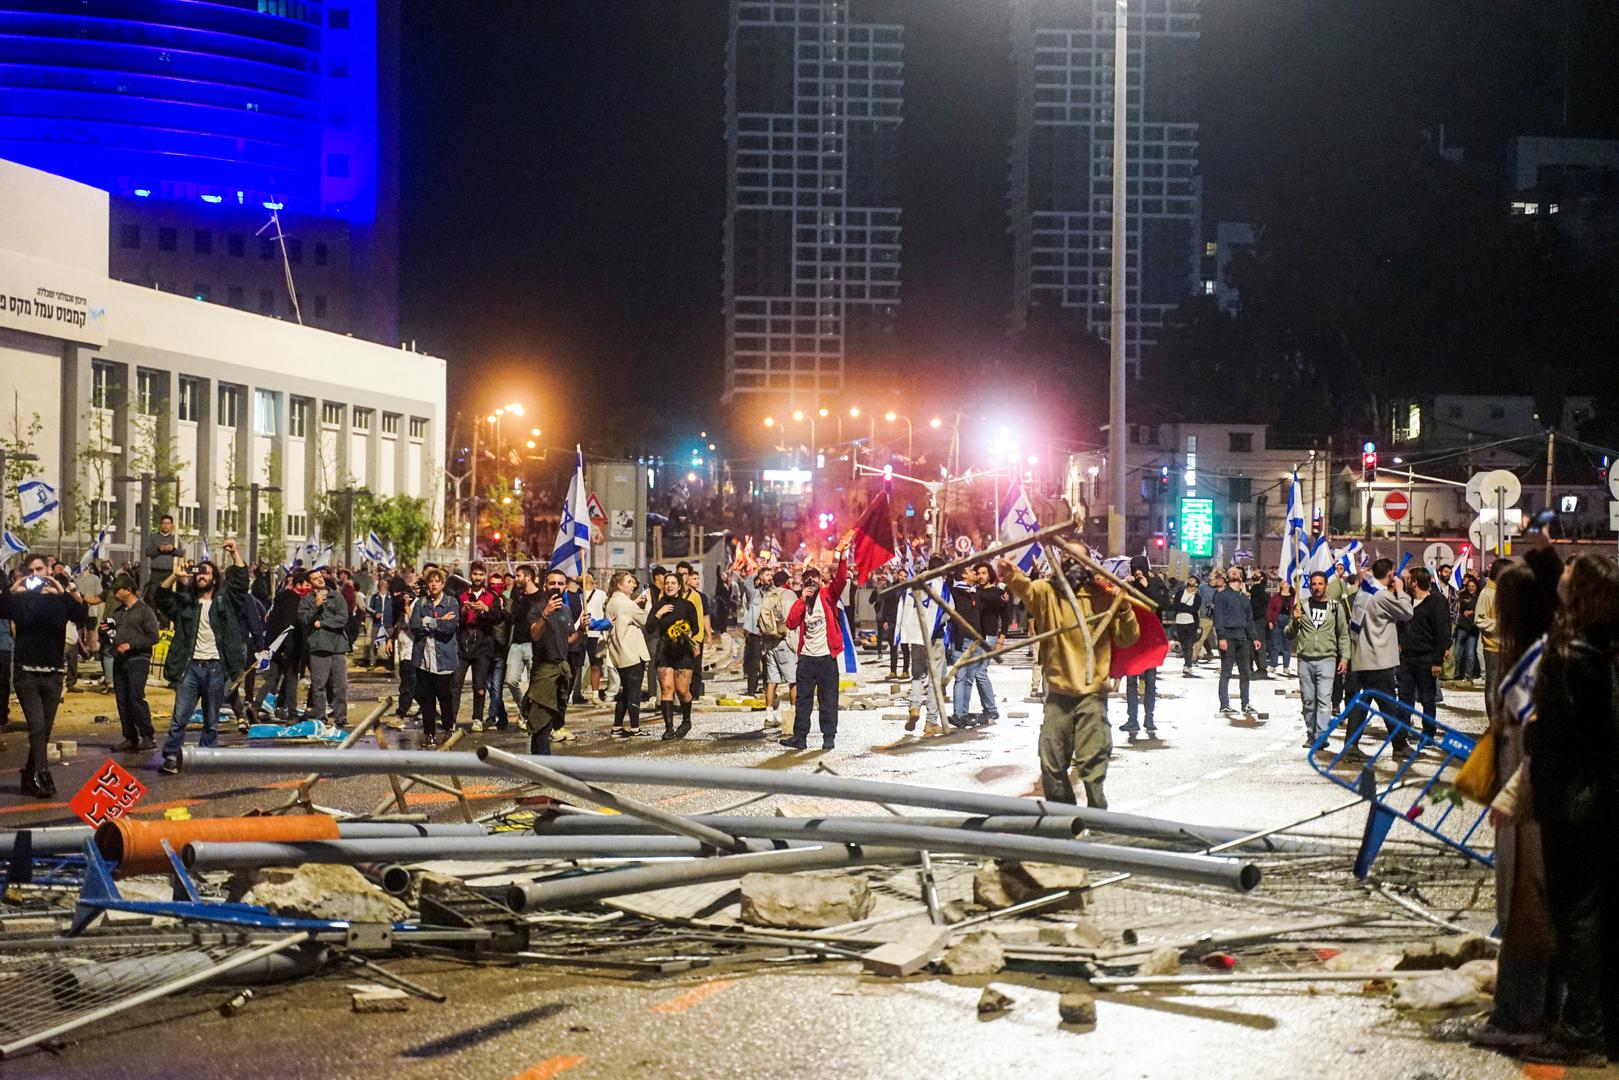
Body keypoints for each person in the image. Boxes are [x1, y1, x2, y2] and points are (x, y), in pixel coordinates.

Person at [1518, 553, 1619, 1066]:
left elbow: (1561, 734)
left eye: (1570, 573)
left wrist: (1535, 729)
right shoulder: (1607, 648)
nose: (1561, 577)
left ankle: (1583, 1029)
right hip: (1603, 800)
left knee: (1575, 915)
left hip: (1574, 803)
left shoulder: (1570, 654)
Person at [1475, 549, 1562, 1053]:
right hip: (1523, 795)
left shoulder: (1537, 661)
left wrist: (1511, 794)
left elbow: (1537, 736)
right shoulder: (1536, 652)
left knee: (1527, 907)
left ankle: (1521, 1015)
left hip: (1530, 804)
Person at [999, 554, 1139, 808]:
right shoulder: (1048, 592)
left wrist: (1124, 609)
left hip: (1092, 693)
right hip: (1059, 693)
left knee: (1093, 758)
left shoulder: (1103, 596)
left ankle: (1097, 814)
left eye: (1078, 557)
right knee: (1051, 757)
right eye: (1066, 556)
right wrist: (1010, 574)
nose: (1071, 562)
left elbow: (1127, 638)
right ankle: (1064, 816)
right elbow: (1027, 591)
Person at [156, 539, 248, 775]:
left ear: (214, 579)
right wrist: (175, 576)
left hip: (216, 668)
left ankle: (206, 756)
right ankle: (170, 757)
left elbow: (240, 583)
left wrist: (234, 553)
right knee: (180, 717)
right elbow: (160, 597)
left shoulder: (223, 601)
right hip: (190, 668)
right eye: (198, 572)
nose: (201, 575)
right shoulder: (186, 603)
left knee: (211, 719)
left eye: (206, 572)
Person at [1, 555, 90, 795]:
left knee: (45, 729)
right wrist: (14, 588)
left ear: (48, 569)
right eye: (30, 571)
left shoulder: (59, 601)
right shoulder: (21, 600)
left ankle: (29, 774)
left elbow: (81, 614)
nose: (35, 575)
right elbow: (2, 607)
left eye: (39, 569)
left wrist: (63, 590)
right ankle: (42, 773)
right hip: (26, 673)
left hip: (53, 673)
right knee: (37, 725)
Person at [780, 549, 851, 750]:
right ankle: (800, 737)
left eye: (815, 580)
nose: (812, 584)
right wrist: (802, 599)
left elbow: (841, 580)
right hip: (807, 659)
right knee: (803, 700)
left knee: (828, 700)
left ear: (821, 580)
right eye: (808, 581)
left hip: (827, 657)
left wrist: (842, 558)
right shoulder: (802, 601)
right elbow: (791, 623)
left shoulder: (828, 595)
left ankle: (828, 738)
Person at [1344, 557, 1414, 756]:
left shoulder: (1365, 590)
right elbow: (1407, 612)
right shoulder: (1381, 596)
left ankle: (1351, 746)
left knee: (1362, 704)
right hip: (1379, 659)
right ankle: (1400, 746)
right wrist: (1400, 590)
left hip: (1364, 658)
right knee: (1389, 706)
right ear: (1390, 575)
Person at [1287, 571, 1351, 749]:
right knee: (1308, 701)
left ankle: (1321, 735)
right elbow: (1289, 634)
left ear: (1326, 586)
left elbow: (1343, 635)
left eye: (1320, 584)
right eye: (1313, 584)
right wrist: (1295, 621)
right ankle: (1310, 734)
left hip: (1327, 659)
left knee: (1324, 700)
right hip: (1305, 660)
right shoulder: (1302, 606)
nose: (1316, 587)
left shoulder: (1335, 607)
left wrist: (1344, 657)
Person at [523, 567, 580, 753]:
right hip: (544, 671)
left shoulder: (565, 610)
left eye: (560, 583)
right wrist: (545, 615)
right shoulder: (537, 608)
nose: (556, 586)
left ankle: (544, 766)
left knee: (554, 721)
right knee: (541, 723)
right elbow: (534, 634)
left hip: (562, 670)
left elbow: (569, 640)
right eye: (552, 583)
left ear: (565, 587)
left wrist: (582, 630)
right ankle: (541, 768)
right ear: (545, 585)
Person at [1396, 566, 1450, 739]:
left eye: (1408, 579)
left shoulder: (1436, 601)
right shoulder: (1407, 601)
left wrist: (1437, 661)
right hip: (1406, 658)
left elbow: (1443, 631)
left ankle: (1428, 732)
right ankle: (1403, 731)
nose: (1405, 582)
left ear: (1415, 582)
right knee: (1404, 697)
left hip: (1426, 658)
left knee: (1427, 698)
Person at [108, 574, 159, 752]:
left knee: (135, 698)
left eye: (117, 589)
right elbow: (111, 637)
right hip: (120, 661)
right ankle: (130, 736)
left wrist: (131, 645)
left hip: (138, 660)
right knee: (122, 700)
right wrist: (104, 632)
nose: (114, 593)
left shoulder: (145, 611)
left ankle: (147, 735)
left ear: (128, 590)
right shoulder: (118, 613)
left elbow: (154, 636)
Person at [408, 568, 458, 748]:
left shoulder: (451, 603)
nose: (434, 584)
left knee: (445, 697)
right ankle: (429, 733)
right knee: (427, 699)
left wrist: (427, 621)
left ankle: (448, 728)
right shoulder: (421, 603)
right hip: (423, 660)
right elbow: (414, 625)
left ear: (443, 584)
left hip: (444, 659)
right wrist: (437, 620)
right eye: (431, 581)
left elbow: (449, 628)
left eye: (438, 581)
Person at [896, 558, 946, 735]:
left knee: (917, 676)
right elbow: (947, 612)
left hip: (915, 637)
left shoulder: (913, 584)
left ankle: (914, 707)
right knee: (934, 680)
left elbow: (903, 608)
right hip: (934, 639)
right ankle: (931, 722)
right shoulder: (941, 586)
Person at [648, 570, 701, 740]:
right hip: (664, 650)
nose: (669, 585)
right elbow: (649, 627)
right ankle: (668, 727)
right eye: (667, 583)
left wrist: (687, 633)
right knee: (666, 689)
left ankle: (686, 721)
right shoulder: (659, 604)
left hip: (683, 651)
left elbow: (696, 627)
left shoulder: (687, 605)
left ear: (679, 586)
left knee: (682, 690)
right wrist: (659, 613)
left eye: (673, 583)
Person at [1122, 555, 1169, 740]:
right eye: (1133, 568)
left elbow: (1164, 604)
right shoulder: (1130, 584)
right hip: (1133, 637)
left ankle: (1149, 718)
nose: (1136, 570)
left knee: (1150, 681)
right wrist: (1125, 585)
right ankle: (1131, 718)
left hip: (1150, 638)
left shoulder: (1156, 583)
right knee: (1131, 681)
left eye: (1139, 567)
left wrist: (1146, 586)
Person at [454, 562, 502, 732]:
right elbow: (455, 620)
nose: (478, 578)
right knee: (456, 683)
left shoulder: (491, 596)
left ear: (485, 575)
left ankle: (477, 718)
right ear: (470, 574)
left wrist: (486, 609)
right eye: (475, 574)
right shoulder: (462, 595)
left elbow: (498, 618)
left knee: (479, 684)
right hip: (462, 644)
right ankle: (451, 719)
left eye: (481, 574)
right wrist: (464, 611)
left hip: (483, 645)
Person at [300, 566, 350, 727]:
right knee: (319, 684)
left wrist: (322, 623)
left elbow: (342, 618)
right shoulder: (307, 600)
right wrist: (316, 605)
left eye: (320, 576)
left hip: (338, 645)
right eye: (315, 578)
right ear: (310, 583)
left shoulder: (337, 596)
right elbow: (303, 620)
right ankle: (320, 716)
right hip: (319, 646)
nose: (320, 579)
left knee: (340, 685)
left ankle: (341, 716)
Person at [604, 569, 650, 736]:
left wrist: (634, 604)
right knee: (634, 692)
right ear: (619, 584)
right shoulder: (626, 604)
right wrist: (648, 603)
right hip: (631, 652)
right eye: (629, 582)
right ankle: (635, 728)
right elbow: (645, 620)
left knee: (626, 691)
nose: (633, 585)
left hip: (619, 653)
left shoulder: (613, 602)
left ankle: (617, 726)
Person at [1213, 567, 1261, 718]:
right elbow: (1218, 618)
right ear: (1227, 577)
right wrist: (1221, 637)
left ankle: (1245, 703)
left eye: (1237, 572)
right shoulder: (1221, 596)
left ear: (1242, 577)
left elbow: (1249, 620)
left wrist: (1254, 638)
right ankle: (1224, 705)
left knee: (1245, 672)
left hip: (1243, 638)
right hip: (1228, 636)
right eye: (1231, 572)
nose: (1234, 573)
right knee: (1226, 671)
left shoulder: (1244, 598)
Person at [504, 565, 545, 729]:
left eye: (518, 575)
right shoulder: (517, 594)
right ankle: (525, 709)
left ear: (528, 577)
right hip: (516, 644)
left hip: (533, 645)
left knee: (534, 684)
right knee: (511, 680)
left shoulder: (542, 597)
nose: (515, 579)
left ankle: (530, 717)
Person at [757, 568, 797, 731]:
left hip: (769, 642)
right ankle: (794, 714)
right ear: (787, 582)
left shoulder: (767, 595)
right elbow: (793, 618)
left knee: (771, 680)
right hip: (784, 641)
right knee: (793, 680)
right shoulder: (789, 595)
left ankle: (769, 716)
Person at [677, 562, 713, 702]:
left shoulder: (698, 596)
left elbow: (704, 616)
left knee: (695, 667)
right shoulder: (673, 593)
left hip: (695, 638)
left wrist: (708, 635)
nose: (682, 577)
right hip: (676, 637)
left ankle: (694, 695)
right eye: (679, 574)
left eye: (685, 574)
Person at [1478, 558, 1505, 697]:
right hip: (1493, 646)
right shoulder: (1487, 592)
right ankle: (1493, 717)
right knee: (1493, 685)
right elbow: (1479, 619)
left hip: (1507, 646)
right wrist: (1501, 625)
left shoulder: (1504, 590)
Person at [580, 571, 608, 702]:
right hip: (580, 632)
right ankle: (574, 693)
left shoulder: (601, 594)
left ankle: (595, 694)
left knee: (595, 664)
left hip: (596, 634)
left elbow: (606, 609)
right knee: (578, 664)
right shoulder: (578, 594)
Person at [141, 513, 184, 597]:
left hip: (170, 572)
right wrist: (159, 549)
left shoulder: (175, 538)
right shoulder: (153, 537)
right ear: (161, 524)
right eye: (164, 523)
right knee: (152, 595)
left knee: (168, 595)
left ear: (171, 525)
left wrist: (173, 549)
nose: (166, 525)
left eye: (168, 523)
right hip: (156, 571)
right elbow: (148, 552)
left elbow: (181, 553)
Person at [1168, 576, 1202, 677]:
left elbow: (1194, 610)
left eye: (1193, 580)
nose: (1190, 581)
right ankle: (1187, 663)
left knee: (1189, 644)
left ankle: (1188, 665)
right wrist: (1186, 607)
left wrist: (1183, 607)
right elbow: (1176, 606)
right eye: (1190, 579)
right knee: (1183, 644)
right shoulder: (1179, 593)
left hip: (1191, 623)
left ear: (1196, 585)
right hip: (1180, 622)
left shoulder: (1197, 597)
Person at [1453, 575, 1481, 681]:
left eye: (1473, 586)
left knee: (1470, 654)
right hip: (1462, 627)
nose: (1471, 588)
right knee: (1457, 653)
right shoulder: (1462, 596)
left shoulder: (1479, 598)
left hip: (1473, 629)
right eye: (1469, 586)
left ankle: (1468, 676)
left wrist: (1473, 612)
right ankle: (1456, 674)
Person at [1267, 579, 1295, 676]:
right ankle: (1273, 664)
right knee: (1276, 643)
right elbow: (1270, 609)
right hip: (1277, 619)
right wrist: (1270, 620)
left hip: (1288, 620)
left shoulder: (1293, 597)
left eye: (1286, 582)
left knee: (1287, 644)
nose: (1284, 584)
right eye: (1282, 583)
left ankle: (1286, 666)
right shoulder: (1276, 597)